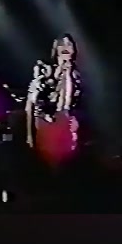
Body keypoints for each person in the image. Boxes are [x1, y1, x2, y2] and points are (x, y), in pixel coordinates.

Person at [26, 33, 84, 171]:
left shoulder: (76, 75)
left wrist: (67, 73)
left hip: (66, 126)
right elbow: (30, 104)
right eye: (62, 44)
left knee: (65, 164)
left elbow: (70, 103)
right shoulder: (44, 72)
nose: (65, 47)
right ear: (56, 48)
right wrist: (29, 134)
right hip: (44, 125)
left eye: (69, 44)